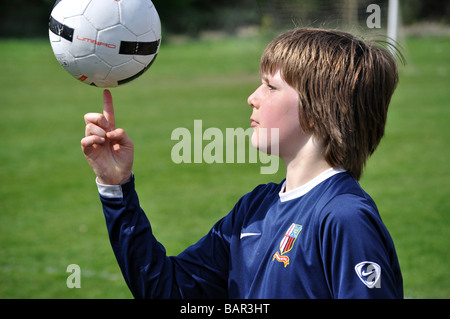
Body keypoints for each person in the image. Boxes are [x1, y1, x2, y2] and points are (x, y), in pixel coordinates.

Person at [81, 28, 403, 298]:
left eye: (270, 86)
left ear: (320, 108)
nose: (253, 96)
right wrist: (116, 186)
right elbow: (169, 291)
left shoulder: (344, 218)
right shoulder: (254, 210)